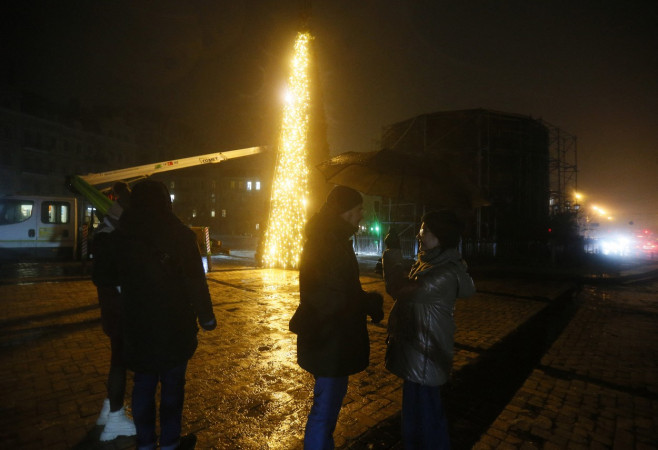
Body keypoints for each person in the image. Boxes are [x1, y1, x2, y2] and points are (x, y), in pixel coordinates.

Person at [93, 179, 217, 450]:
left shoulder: (123, 236)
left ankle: (146, 444)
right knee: (172, 388)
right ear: (166, 202)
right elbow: (196, 281)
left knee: (143, 386)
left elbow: (103, 272)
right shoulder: (181, 235)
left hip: (137, 325)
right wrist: (206, 318)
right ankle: (171, 443)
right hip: (176, 327)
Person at [289, 185, 384, 449]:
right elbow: (334, 294)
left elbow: (342, 289)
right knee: (324, 411)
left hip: (331, 337)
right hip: (331, 338)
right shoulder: (328, 243)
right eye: (358, 210)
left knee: (326, 408)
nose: (361, 216)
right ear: (343, 212)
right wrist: (368, 302)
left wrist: (364, 301)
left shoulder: (332, 239)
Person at [382, 210, 476, 449]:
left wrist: (391, 254)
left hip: (426, 358)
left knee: (427, 423)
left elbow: (401, 289)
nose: (419, 234)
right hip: (418, 355)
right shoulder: (430, 263)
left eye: (424, 230)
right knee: (417, 420)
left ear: (440, 236)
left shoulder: (444, 273)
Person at [92, 182, 136, 441]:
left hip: (112, 308)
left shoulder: (103, 235)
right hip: (119, 308)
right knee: (121, 361)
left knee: (117, 359)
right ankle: (115, 420)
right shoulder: (113, 240)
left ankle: (109, 409)